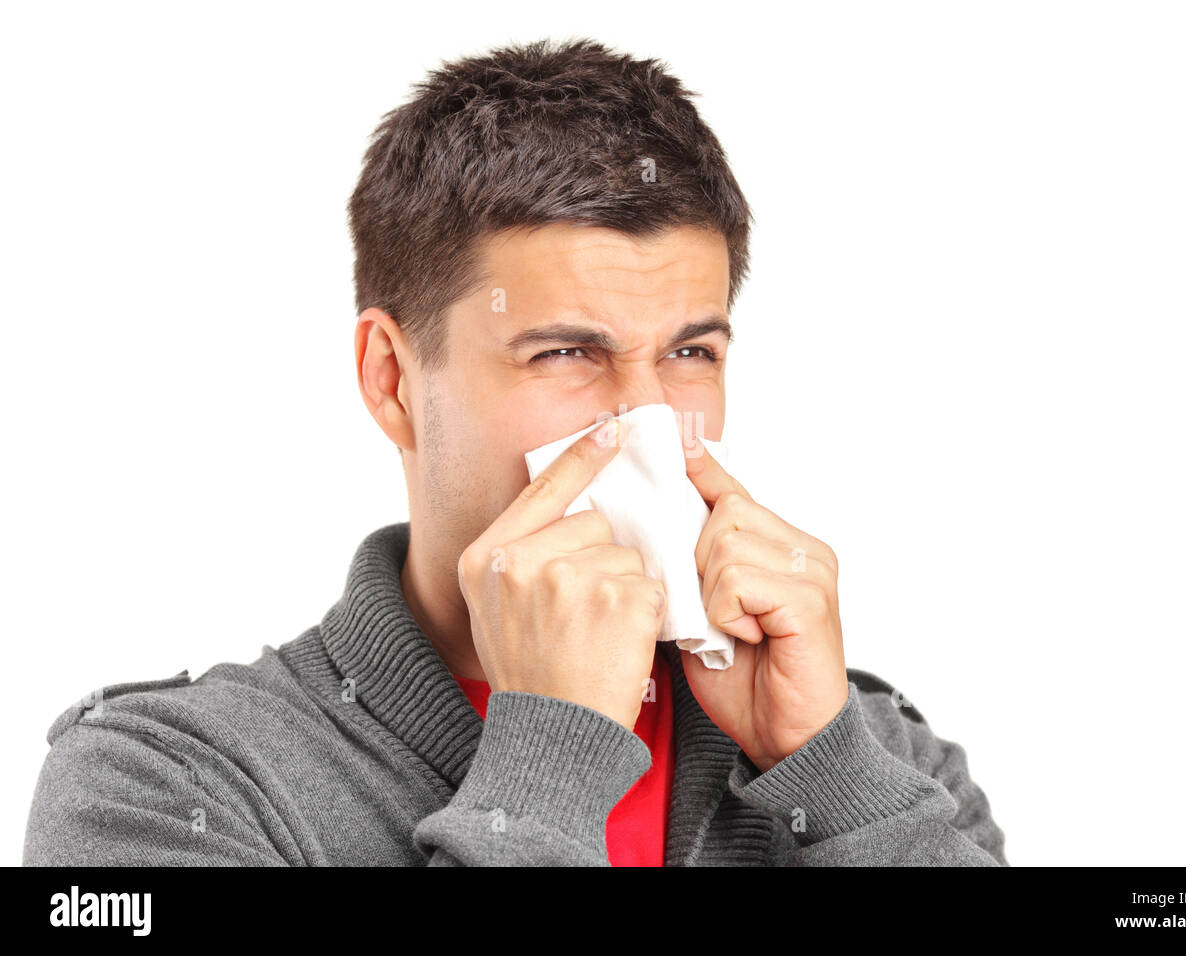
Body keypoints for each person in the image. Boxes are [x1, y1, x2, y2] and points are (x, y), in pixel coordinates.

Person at [23, 37, 1007, 866]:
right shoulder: (164, 780)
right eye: (566, 352)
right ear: (391, 378)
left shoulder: (886, 759)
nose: (643, 422)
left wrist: (835, 773)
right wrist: (555, 750)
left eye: (689, 352)